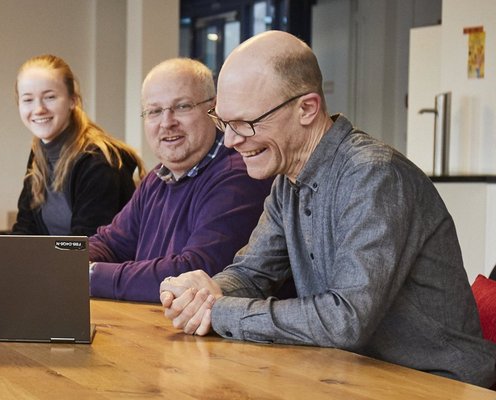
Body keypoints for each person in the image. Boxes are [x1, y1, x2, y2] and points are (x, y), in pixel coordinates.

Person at [159, 31, 496, 387]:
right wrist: (204, 291)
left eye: (246, 123)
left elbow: (344, 320)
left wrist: (219, 309)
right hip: (358, 376)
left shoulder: (374, 176)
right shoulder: (287, 181)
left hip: (439, 384)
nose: (230, 140)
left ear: (307, 108)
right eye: (223, 122)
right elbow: (250, 274)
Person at [85, 58, 272, 302]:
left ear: (215, 110)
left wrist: (89, 275)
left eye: (182, 106)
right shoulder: (157, 178)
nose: (167, 122)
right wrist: (68, 259)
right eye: (154, 111)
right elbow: (111, 243)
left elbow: (194, 273)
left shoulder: (239, 176)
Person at [9, 55, 143, 236]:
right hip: (61, 262)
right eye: (28, 99)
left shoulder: (98, 161)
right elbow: (26, 231)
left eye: (49, 97)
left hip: (91, 263)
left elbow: (87, 248)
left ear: (73, 100)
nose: (39, 108)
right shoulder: (39, 152)